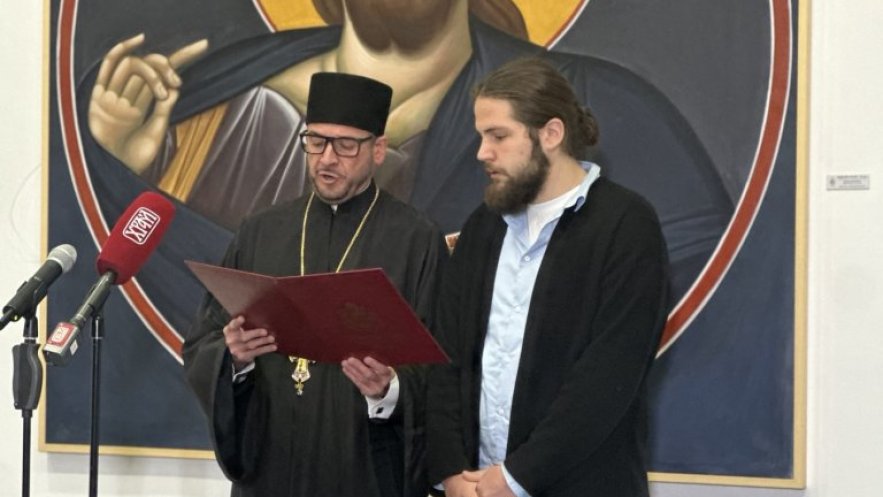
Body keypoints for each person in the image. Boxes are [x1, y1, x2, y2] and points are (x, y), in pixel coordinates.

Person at [183, 72, 447, 497]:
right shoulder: (260, 232)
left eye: (345, 146)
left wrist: (390, 390)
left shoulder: (417, 241)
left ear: (378, 149)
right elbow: (203, 342)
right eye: (316, 141)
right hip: (271, 466)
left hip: (363, 470)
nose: (327, 159)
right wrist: (234, 357)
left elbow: (444, 366)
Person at [426, 58, 669, 497]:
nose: (482, 152)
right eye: (481, 136)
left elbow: (606, 379)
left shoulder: (627, 225)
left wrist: (516, 478)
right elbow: (445, 357)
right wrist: (451, 471)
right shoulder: (483, 226)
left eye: (498, 136)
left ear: (551, 134)